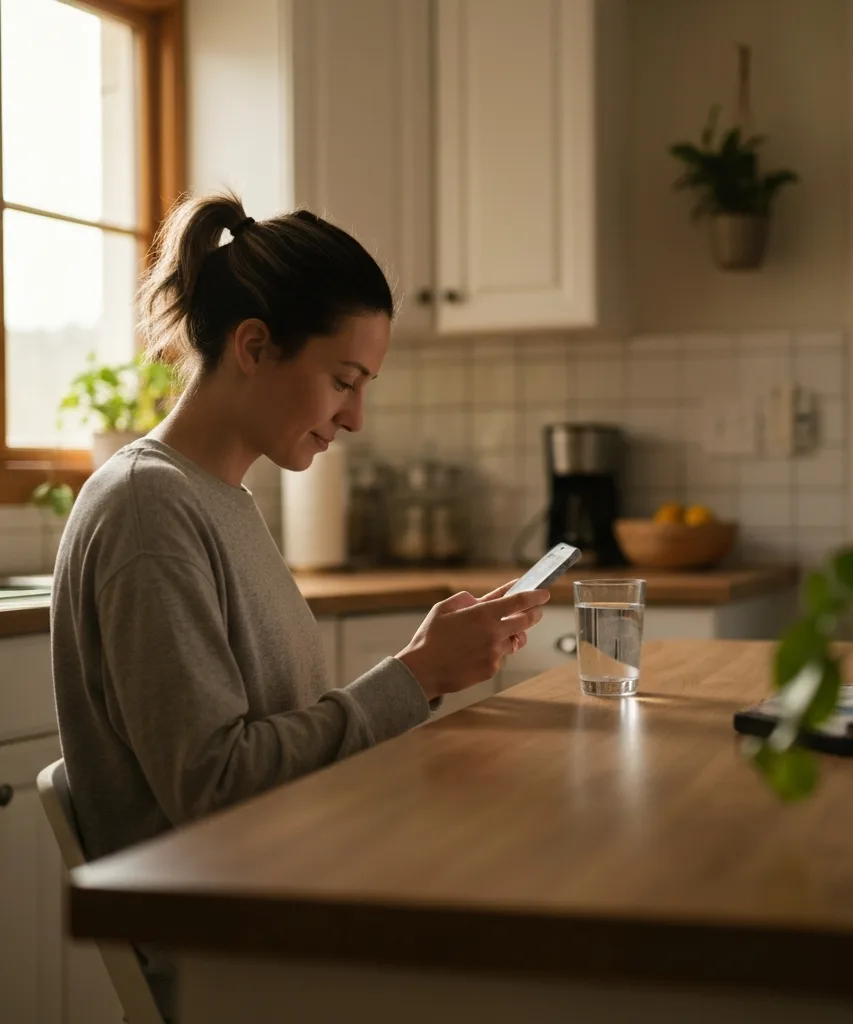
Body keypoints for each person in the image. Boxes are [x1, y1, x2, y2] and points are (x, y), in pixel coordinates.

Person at [49, 192, 549, 1021]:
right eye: (343, 381)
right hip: (236, 953)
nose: (354, 417)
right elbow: (216, 787)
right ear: (254, 345)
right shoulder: (149, 509)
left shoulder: (220, 500)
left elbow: (270, 739)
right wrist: (412, 678)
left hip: (287, 895)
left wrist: (419, 678)